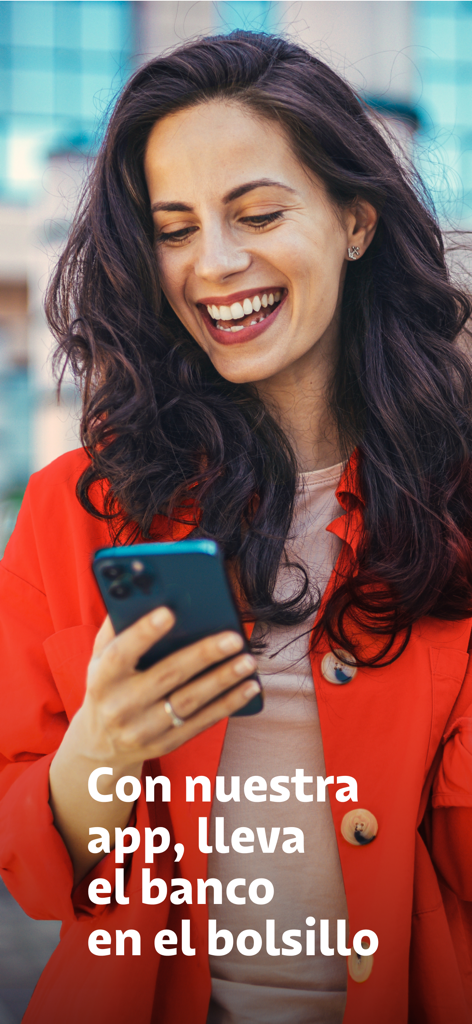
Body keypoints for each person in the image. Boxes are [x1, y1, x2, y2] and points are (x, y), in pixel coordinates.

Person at [0, 28, 472, 1024]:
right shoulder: (72, 507)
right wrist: (98, 752)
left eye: (256, 212)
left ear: (355, 221)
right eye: (173, 227)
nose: (212, 263)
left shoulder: (455, 502)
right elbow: (39, 875)